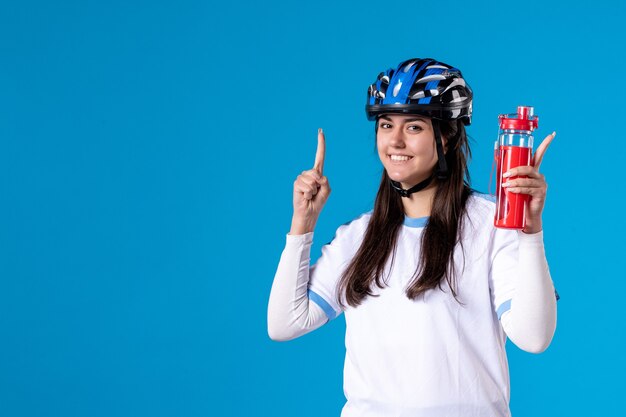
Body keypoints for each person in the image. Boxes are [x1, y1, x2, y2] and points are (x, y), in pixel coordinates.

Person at [267, 58, 558, 417]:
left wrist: (530, 233)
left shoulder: (489, 225)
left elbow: (534, 337)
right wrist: (302, 226)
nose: (395, 140)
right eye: (386, 124)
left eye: (414, 127)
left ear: (447, 137)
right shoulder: (357, 237)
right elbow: (284, 323)